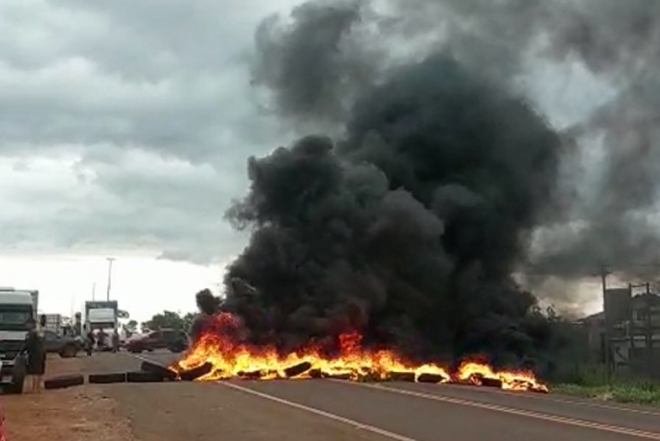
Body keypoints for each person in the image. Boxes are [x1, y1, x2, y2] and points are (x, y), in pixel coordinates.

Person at [22, 317, 45, 393]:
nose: (25, 326)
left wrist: (21, 352)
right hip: (41, 354)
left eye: (27, 324)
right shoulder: (39, 333)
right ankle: (37, 388)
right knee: (39, 372)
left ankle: (34, 389)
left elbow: (28, 345)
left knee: (35, 372)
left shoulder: (31, 334)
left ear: (31, 324)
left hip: (34, 354)